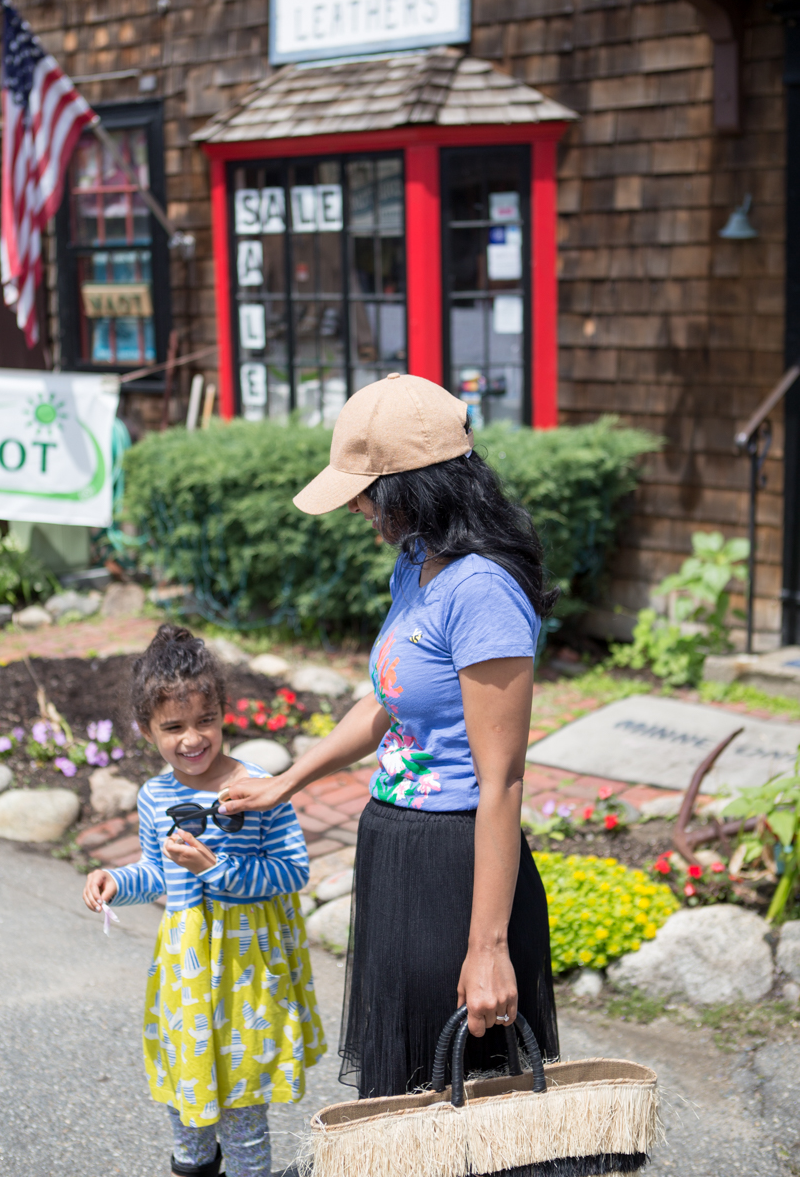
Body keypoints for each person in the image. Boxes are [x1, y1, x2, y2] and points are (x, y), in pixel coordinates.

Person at [220, 373, 559, 1101]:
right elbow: (386, 703)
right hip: (395, 852)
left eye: (365, 491)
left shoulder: (482, 590)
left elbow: (501, 780)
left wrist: (488, 947)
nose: (355, 506)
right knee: (403, 1104)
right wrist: (286, 783)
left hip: (456, 868)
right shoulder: (416, 562)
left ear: (418, 486)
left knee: (460, 1109)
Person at [82, 625, 324, 1177]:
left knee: (243, 1111)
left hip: (248, 972)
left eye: (205, 721)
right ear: (146, 729)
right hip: (187, 974)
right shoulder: (155, 795)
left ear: (222, 714)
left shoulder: (259, 786)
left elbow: (293, 871)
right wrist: (117, 880)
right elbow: (157, 873)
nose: (192, 739)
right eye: (173, 727)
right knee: (187, 1109)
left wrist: (217, 870)